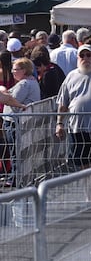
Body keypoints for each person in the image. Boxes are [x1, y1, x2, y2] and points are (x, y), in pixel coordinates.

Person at [56, 44, 91, 169]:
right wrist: (59, 123)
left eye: (88, 55)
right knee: (82, 164)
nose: (85, 58)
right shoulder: (71, 76)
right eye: (82, 55)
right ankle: (87, 188)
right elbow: (63, 102)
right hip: (78, 128)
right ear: (78, 58)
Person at [1, 57, 40, 187]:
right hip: (18, 120)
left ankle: (15, 178)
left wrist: (6, 94)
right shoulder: (31, 81)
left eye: (16, 69)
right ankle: (16, 176)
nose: (13, 71)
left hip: (15, 121)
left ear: (24, 70)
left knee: (15, 150)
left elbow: (11, 100)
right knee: (16, 149)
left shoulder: (24, 84)